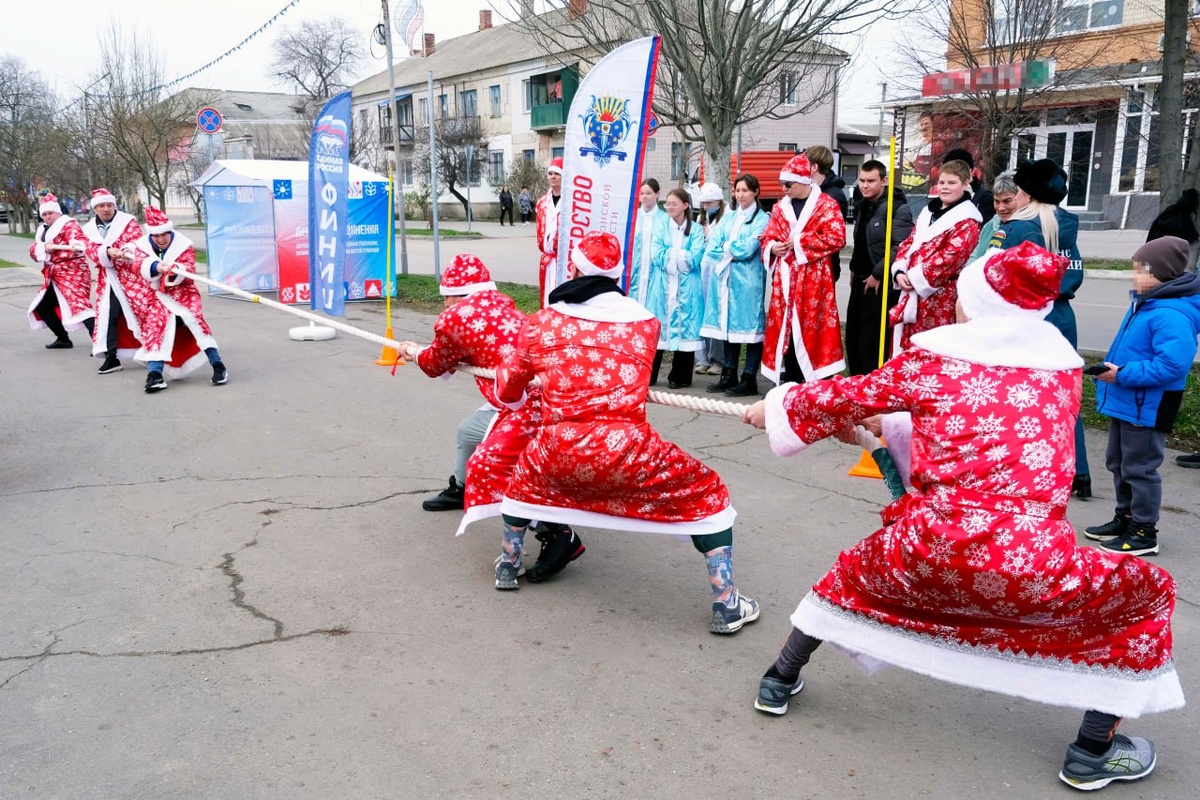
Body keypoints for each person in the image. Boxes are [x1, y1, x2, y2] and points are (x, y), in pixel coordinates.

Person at [743, 242, 1184, 792]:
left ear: (972, 305)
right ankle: (1094, 749)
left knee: (847, 579)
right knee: (1146, 595)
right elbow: (983, 432)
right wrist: (887, 426)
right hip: (1036, 565)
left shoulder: (932, 362)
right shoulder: (1062, 374)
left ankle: (778, 680)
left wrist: (777, 407)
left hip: (926, 549)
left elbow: (844, 397)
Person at [493, 231, 759, 634]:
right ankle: (727, 603)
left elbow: (508, 391)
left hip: (557, 450)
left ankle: (508, 567)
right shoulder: (646, 323)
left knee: (523, 481)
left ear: (575, 267)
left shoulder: (540, 324)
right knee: (709, 494)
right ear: (618, 275)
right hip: (629, 452)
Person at [397, 254, 586, 578]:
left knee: (499, 465)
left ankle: (558, 533)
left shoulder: (455, 318)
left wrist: (411, 350)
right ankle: (461, 487)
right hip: (547, 396)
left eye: (446, 297)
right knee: (468, 432)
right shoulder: (502, 302)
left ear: (457, 294)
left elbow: (432, 364)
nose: (445, 304)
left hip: (524, 403)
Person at [1083, 236, 1200, 556]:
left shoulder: (1171, 313)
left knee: (1140, 467)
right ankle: (1126, 517)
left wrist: (1122, 374)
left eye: (1141, 270)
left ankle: (1144, 531)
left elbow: (1173, 365)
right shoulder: (1149, 302)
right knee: (1118, 461)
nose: (1135, 275)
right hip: (1129, 401)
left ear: (1162, 273)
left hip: (1147, 405)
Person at [988, 159, 1091, 500]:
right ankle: (1078, 470)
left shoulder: (1016, 228)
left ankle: (1026, 467)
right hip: (1061, 317)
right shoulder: (1067, 227)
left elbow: (990, 274)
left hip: (1025, 318)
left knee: (1020, 396)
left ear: (1025, 192)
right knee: (1063, 393)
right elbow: (1074, 274)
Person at [759, 153, 847, 385]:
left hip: (815, 280)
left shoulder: (827, 205)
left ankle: (818, 379)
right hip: (785, 280)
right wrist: (772, 247)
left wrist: (798, 242)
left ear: (803, 181)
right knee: (785, 329)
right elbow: (767, 236)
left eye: (788, 184)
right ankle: (790, 379)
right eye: (782, 184)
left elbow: (837, 238)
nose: (784, 188)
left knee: (814, 328)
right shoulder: (780, 208)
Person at [129, 207, 228, 393]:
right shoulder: (142, 246)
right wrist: (155, 267)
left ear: (170, 231)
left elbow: (189, 269)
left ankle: (218, 365)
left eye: (163, 235)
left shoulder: (183, 245)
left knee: (195, 322)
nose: (160, 239)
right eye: (156, 236)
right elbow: (137, 266)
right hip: (157, 295)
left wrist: (176, 268)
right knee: (155, 326)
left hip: (184, 293)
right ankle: (154, 375)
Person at [888, 159, 981, 354]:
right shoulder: (927, 213)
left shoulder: (968, 222)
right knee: (905, 350)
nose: (945, 187)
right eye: (942, 182)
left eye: (952, 183)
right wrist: (899, 270)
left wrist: (914, 278)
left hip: (940, 298)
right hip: (912, 291)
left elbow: (950, 258)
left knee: (931, 350)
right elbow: (909, 243)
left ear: (965, 185)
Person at [699, 174, 769, 396]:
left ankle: (749, 377)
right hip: (725, 280)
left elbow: (750, 247)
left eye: (745, 190)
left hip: (748, 283)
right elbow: (712, 246)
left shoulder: (762, 219)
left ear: (756, 192)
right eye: (738, 190)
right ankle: (729, 374)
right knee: (728, 327)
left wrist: (726, 248)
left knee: (750, 330)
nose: (741, 195)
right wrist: (731, 249)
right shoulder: (729, 218)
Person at [844, 160, 913, 375]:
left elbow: (900, 247)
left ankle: (871, 383)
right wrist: (854, 268)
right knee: (853, 337)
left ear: (884, 181)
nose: (865, 185)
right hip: (859, 279)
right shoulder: (862, 205)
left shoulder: (897, 208)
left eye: (870, 181)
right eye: (862, 181)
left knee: (871, 342)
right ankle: (856, 383)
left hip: (880, 284)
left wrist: (878, 273)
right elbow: (862, 242)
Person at [81, 188, 148, 375]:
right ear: (95, 209)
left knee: (140, 312)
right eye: (101, 206)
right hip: (108, 279)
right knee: (108, 317)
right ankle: (112, 357)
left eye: (109, 205)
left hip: (131, 277)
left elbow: (138, 242)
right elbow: (90, 249)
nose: (106, 209)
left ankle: (151, 350)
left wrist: (126, 250)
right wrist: (107, 251)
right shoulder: (89, 229)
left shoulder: (128, 221)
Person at [647, 188, 707, 388]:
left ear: (685, 205)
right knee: (659, 327)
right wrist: (680, 254)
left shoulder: (696, 230)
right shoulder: (661, 226)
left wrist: (672, 254)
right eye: (668, 204)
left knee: (686, 326)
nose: (669, 207)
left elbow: (695, 257)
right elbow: (656, 253)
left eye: (674, 203)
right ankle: (651, 374)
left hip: (687, 287)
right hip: (663, 285)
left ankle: (680, 376)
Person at [27, 193, 95, 349]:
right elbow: (33, 250)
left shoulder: (69, 224)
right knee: (42, 307)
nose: (47, 216)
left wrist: (75, 245)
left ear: (58, 213)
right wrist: (45, 247)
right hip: (54, 274)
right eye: (44, 214)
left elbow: (78, 241)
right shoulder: (42, 229)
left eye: (50, 213)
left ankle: (102, 344)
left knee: (81, 307)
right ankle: (63, 339)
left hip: (73, 271)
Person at [694, 181, 728, 376]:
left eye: (709, 203)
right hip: (702, 271)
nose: (706, 207)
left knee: (715, 316)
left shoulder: (728, 218)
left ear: (718, 201)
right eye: (704, 204)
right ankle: (702, 358)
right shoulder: (701, 218)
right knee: (701, 314)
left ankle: (718, 360)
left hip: (718, 272)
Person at [804, 145, 849, 283]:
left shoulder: (833, 196)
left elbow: (832, 237)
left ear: (814, 167)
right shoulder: (813, 191)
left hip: (824, 266)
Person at [628, 177, 663, 307]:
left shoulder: (664, 219)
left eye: (648, 193)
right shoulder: (632, 217)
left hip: (654, 270)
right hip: (634, 269)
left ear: (657, 194)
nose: (645, 197)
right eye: (642, 193)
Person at [535, 158, 564, 306]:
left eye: (557, 174)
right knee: (547, 293)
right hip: (548, 258)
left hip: (564, 258)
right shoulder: (542, 203)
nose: (553, 177)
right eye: (550, 173)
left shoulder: (570, 201)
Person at [970, 171, 1018, 260]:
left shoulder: (1029, 229)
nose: (1000, 208)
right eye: (997, 201)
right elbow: (974, 257)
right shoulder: (989, 226)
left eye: (1007, 201)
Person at [940, 147, 995, 224]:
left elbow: (985, 229)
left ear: (970, 171)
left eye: (956, 171)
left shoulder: (985, 197)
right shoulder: (943, 196)